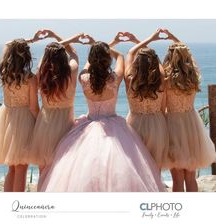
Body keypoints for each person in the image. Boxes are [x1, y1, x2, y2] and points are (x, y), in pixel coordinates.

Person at [38, 34, 165, 192]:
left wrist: (95, 46)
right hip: (114, 126)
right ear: (107, 59)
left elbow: (88, 62)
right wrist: (111, 44)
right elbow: (119, 56)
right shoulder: (114, 78)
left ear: (91, 58)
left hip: (88, 125)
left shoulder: (84, 78)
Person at [0, 33, 41, 192]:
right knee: (22, 167)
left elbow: (7, 44)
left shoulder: (4, 72)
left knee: (13, 168)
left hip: (7, 118)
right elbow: (33, 107)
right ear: (26, 57)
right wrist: (41, 123)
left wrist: (26, 41)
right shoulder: (30, 78)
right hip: (24, 121)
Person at [162, 29, 216, 192]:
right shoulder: (193, 75)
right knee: (191, 177)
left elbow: (163, 104)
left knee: (177, 179)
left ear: (169, 57)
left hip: (172, 125)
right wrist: (174, 38)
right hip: (192, 125)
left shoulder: (166, 78)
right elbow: (189, 55)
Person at [29, 30, 83, 174]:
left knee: (43, 169)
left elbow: (47, 56)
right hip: (66, 124)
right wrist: (58, 36)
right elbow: (73, 53)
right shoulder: (71, 71)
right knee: (63, 170)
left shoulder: (41, 72)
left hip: (45, 123)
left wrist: (53, 43)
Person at [113, 30, 169, 170]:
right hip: (157, 124)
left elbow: (131, 53)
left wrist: (147, 38)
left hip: (135, 123)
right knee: (156, 168)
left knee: (136, 167)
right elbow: (156, 61)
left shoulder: (130, 78)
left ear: (137, 63)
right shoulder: (161, 77)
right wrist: (144, 39)